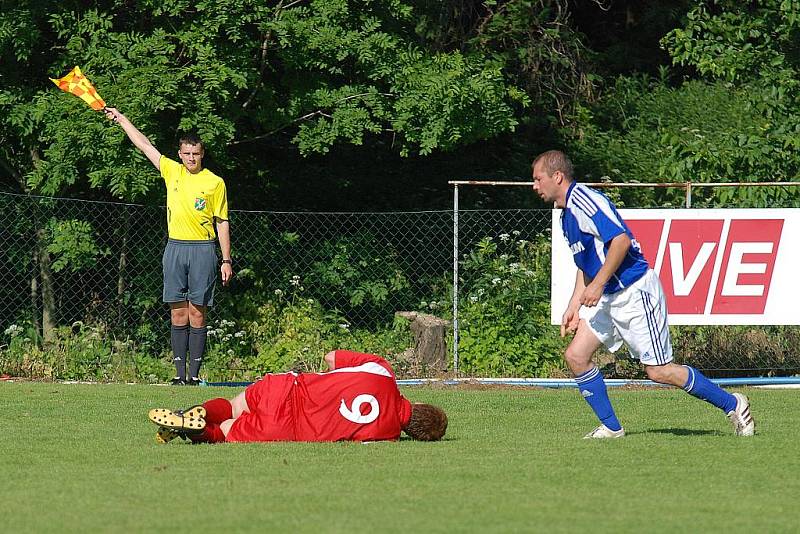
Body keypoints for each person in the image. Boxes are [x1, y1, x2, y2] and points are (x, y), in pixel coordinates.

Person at [531, 150, 755, 438]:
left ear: (557, 176)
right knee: (576, 356)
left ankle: (733, 403)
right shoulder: (565, 215)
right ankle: (612, 428)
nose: (535, 186)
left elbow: (621, 240)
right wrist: (574, 303)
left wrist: (597, 286)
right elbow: (586, 263)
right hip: (608, 296)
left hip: (633, 291)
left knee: (659, 371)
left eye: (538, 179)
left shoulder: (585, 201)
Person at [104, 107, 233, 386]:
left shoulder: (215, 183)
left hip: (202, 249)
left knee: (198, 311)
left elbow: (222, 221)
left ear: (202, 154)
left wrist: (226, 260)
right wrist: (123, 119)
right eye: (186, 153)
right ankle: (178, 374)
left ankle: (195, 375)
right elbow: (144, 144)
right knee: (178, 311)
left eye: (195, 153)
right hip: (175, 248)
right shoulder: (172, 172)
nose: (190, 158)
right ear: (180, 154)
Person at [148, 349, 448, 444]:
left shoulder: (383, 371)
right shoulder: (386, 435)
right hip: (289, 430)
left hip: (288, 389)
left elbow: (331, 358)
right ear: (412, 431)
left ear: (420, 403)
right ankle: (198, 430)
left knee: (233, 406)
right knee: (224, 433)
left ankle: (194, 412)